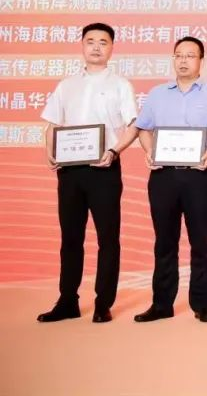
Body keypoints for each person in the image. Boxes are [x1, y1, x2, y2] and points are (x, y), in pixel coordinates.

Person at [37, 23, 139, 323]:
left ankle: (103, 303)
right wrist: (50, 151)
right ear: (82, 45)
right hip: (70, 171)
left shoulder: (121, 85)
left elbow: (133, 125)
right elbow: (53, 124)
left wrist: (114, 151)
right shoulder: (66, 85)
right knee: (70, 238)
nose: (96, 47)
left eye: (103, 42)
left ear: (112, 48)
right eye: (90, 41)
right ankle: (67, 301)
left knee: (108, 238)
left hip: (104, 168)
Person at [133, 36, 207, 323]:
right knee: (164, 242)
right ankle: (161, 304)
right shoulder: (157, 94)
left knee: (200, 241)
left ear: (201, 61)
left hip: (199, 176)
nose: (183, 60)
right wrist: (150, 151)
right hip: (163, 176)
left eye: (190, 56)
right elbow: (143, 128)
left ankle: (203, 304)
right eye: (178, 55)